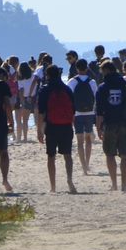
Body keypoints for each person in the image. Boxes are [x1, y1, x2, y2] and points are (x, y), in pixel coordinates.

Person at [94, 59, 126, 192]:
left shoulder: (102, 87)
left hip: (110, 123)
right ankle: (124, 185)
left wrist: (98, 128)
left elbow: (99, 111)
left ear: (105, 70)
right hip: (125, 122)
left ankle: (114, 184)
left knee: (110, 154)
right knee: (125, 155)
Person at [37, 64, 77, 194]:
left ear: (47, 75)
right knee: (67, 155)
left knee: (51, 156)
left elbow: (41, 112)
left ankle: (53, 186)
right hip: (66, 125)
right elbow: (73, 110)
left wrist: (39, 130)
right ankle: (69, 180)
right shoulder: (66, 89)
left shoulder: (45, 90)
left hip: (51, 126)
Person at [67, 59, 98, 177]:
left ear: (76, 68)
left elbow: (68, 97)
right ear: (86, 68)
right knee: (88, 139)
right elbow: (96, 97)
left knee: (79, 141)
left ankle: (83, 166)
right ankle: (87, 163)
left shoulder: (72, 81)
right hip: (89, 113)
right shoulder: (92, 82)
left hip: (77, 113)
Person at [14, 61, 36, 143]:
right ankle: (28, 137)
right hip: (32, 98)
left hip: (23, 99)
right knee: (29, 120)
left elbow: (21, 90)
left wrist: (22, 102)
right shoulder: (33, 76)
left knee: (21, 120)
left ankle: (22, 138)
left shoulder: (20, 78)